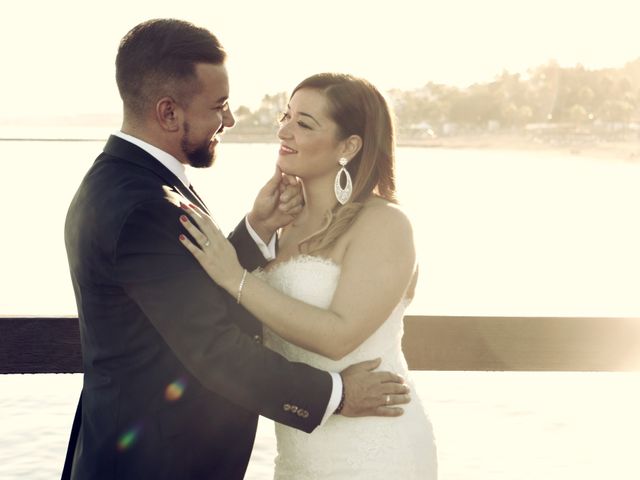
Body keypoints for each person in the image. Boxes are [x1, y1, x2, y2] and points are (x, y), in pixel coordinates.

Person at [61, 19, 410, 480]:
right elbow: (214, 349)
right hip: (155, 463)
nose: (229, 120)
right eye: (219, 106)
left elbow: (192, 285)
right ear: (168, 113)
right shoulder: (143, 206)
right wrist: (338, 395)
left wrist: (256, 229)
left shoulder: (132, 183)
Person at [179, 73, 437, 479]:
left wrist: (236, 277)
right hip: (302, 448)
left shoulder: (385, 223)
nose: (284, 130)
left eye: (305, 123)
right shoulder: (282, 225)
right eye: (287, 115)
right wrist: (257, 227)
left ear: (348, 146)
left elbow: (339, 337)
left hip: (374, 446)